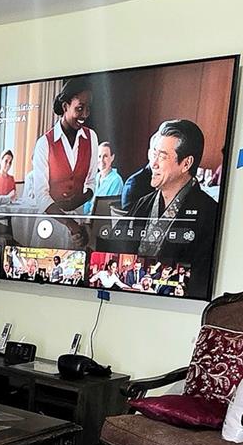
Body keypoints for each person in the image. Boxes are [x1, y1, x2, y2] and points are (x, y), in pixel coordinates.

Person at [121, 119, 220, 299]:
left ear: (186, 163)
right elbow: (116, 245)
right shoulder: (143, 203)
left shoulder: (209, 214)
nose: (154, 164)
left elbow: (200, 280)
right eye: (155, 154)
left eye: (163, 156)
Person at [21, 79, 98, 216]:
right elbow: (41, 196)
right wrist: (69, 223)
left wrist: (82, 198)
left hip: (78, 217)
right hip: (50, 223)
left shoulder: (91, 137)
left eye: (88, 108)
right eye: (80, 108)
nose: (85, 114)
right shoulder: (44, 143)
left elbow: (92, 181)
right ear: (65, 106)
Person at [88, 143, 124, 216]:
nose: (101, 160)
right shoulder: (94, 177)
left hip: (103, 223)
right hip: (88, 221)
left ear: (112, 157)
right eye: (99, 156)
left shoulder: (116, 180)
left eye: (105, 156)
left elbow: (108, 210)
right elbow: (87, 204)